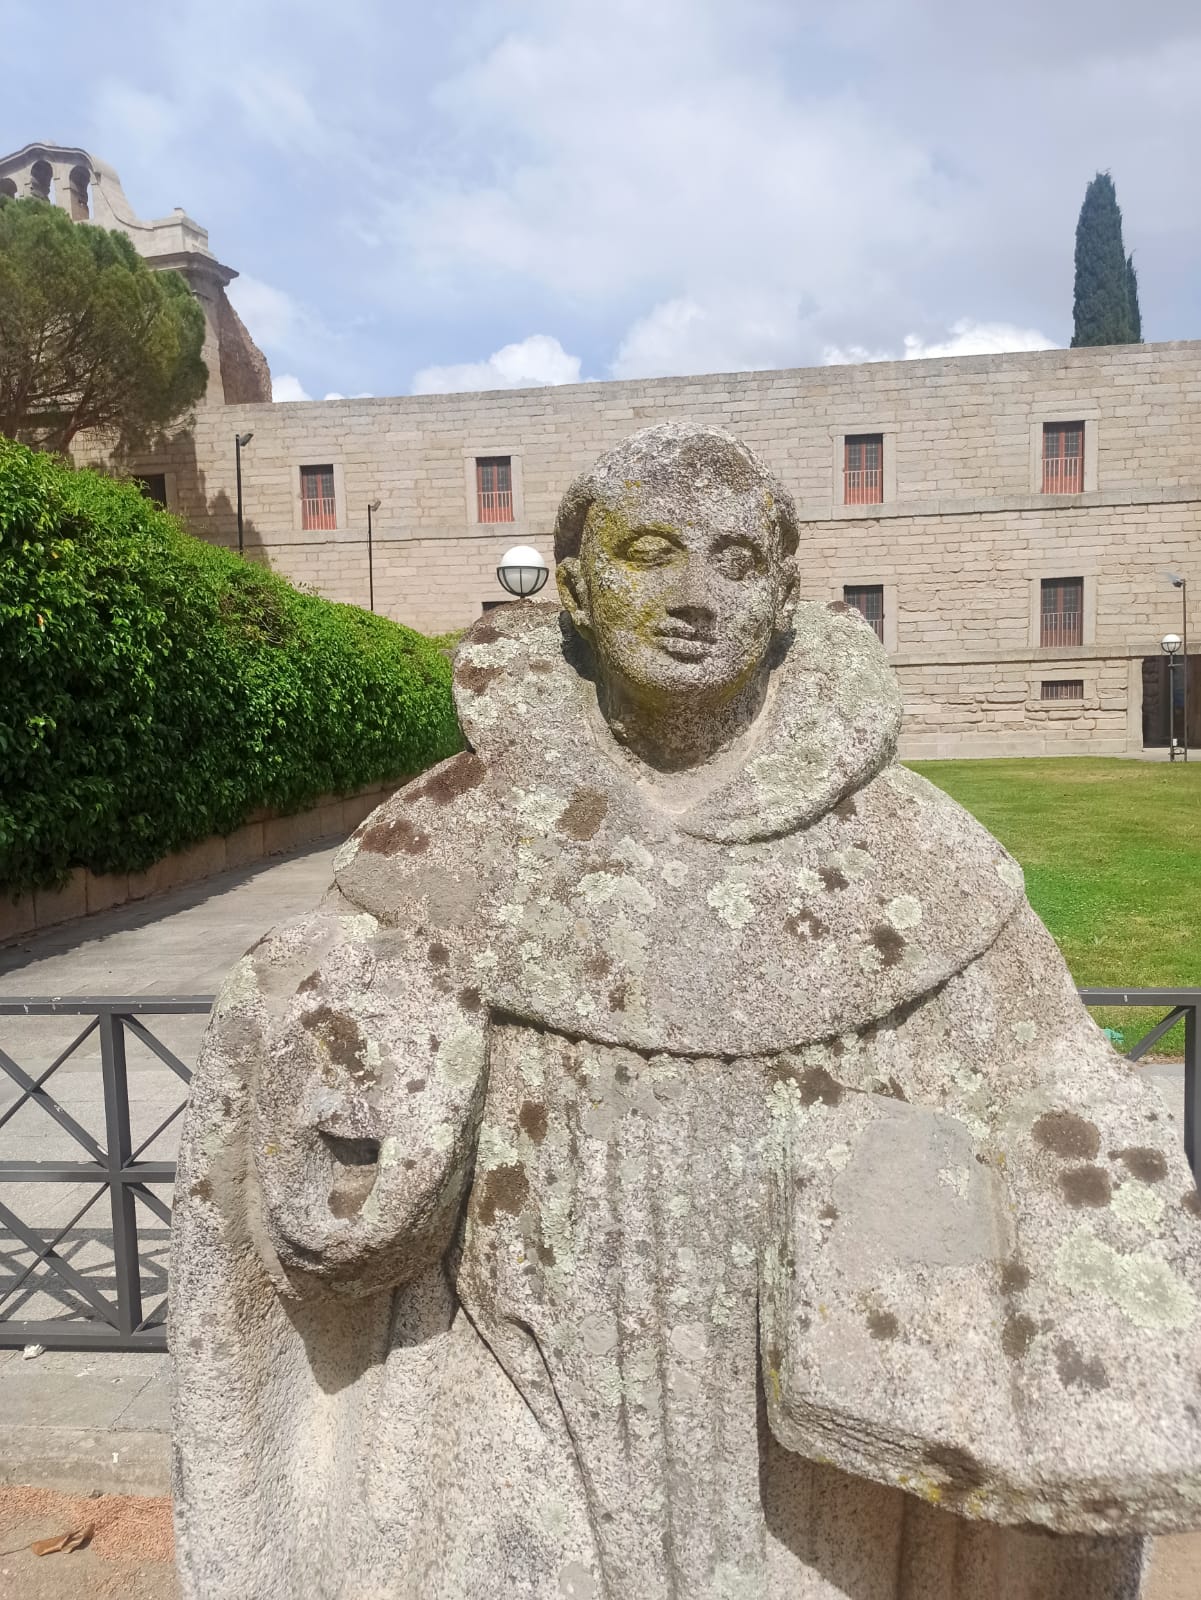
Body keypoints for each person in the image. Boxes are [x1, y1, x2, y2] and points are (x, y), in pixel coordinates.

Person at [172, 423, 1201, 1600]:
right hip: (520, 1357)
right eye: (649, 551)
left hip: (804, 1422)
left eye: (735, 559)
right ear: (574, 585)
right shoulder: (441, 841)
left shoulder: (912, 859)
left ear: (785, 594)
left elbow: (1057, 1093)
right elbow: (318, 1075)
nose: (693, 594)